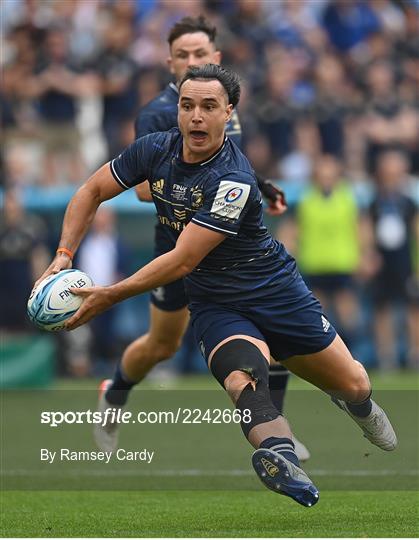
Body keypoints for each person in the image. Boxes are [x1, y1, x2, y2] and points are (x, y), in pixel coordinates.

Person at [37, 64, 397, 507]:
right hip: (215, 300)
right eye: (188, 106)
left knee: (355, 384)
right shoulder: (154, 149)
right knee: (242, 379)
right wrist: (64, 254)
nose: (196, 117)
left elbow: (184, 257)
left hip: (275, 293)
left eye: (209, 107)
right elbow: (91, 190)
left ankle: (358, 407)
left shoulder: (233, 180)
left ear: (229, 113)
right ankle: (280, 458)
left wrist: (110, 294)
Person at [94, 15, 310, 460]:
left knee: (272, 329)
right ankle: (114, 391)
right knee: (162, 345)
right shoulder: (158, 114)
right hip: (176, 244)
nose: (190, 60)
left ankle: (277, 425)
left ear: (216, 59)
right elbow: (138, 187)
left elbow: (231, 165)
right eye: (181, 55)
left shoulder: (222, 104)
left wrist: (261, 185)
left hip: (232, 245)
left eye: (199, 54)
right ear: (169, 61)